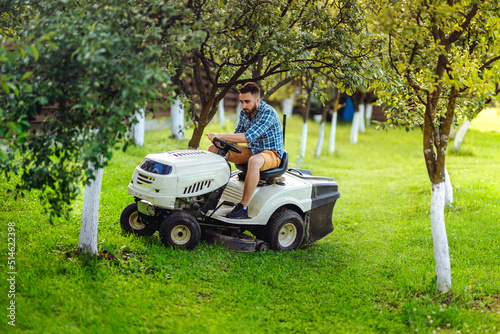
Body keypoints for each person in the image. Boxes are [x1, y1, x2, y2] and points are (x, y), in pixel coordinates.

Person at [206, 82, 284, 219]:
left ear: (257, 100)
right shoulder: (245, 113)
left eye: (247, 102)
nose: (243, 106)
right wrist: (219, 142)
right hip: (253, 149)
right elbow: (236, 136)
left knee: (254, 161)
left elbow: (247, 137)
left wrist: (220, 135)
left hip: (271, 153)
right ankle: (208, 194)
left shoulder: (268, 113)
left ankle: (243, 207)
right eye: (241, 102)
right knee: (213, 149)